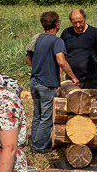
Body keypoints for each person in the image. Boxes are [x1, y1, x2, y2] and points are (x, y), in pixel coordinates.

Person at [26, 10, 72, 153]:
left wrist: (38, 66)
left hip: (34, 81)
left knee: (37, 115)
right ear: (57, 25)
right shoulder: (57, 41)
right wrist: (73, 77)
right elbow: (61, 61)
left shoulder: (37, 38)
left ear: (42, 25)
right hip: (47, 84)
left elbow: (28, 59)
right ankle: (38, 147)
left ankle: (35, 142)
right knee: (47, 117)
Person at [61, 7, 97, 89]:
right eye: (75, 23)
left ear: (85, 19)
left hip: (91, 79)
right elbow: (61, 56)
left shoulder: (95, 33)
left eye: (80, 22)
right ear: (71, 22)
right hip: (72, 79)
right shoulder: (66, 33)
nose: (78, 25)